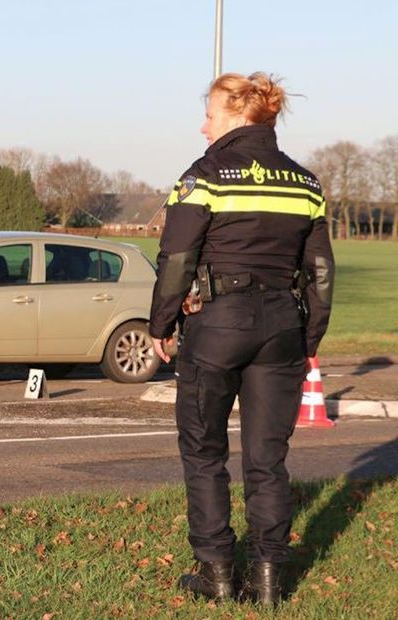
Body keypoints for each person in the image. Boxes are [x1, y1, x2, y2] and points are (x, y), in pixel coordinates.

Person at [149, 72, 334, 607]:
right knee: (267, 458)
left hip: (217, 325)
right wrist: (310, 335)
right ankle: (270, 580)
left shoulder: (204, 175)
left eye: (208, 114)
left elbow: (178, 258)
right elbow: (320, 271)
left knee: (204, 450)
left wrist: (161, 322)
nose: (202, 126)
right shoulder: (306, 184)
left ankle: (217, 574)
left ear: (234, 117)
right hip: (283, 326)